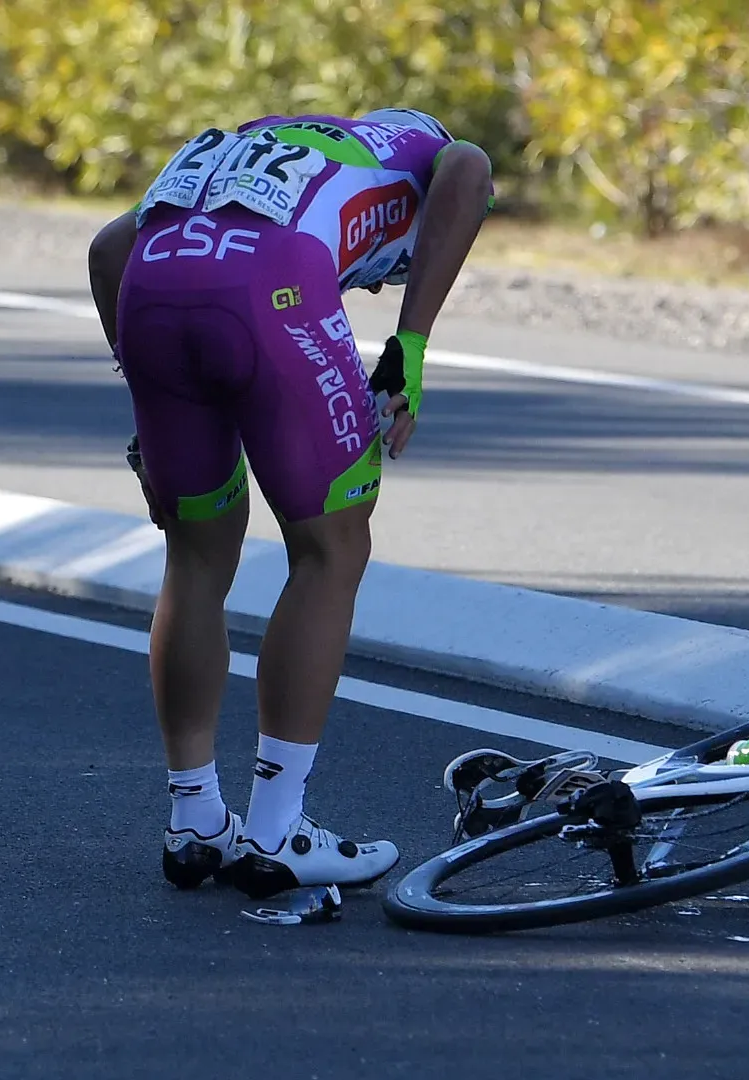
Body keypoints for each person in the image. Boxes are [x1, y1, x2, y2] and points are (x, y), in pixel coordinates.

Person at [85, 108, 492, 899]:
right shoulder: (420, 155)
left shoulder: (269, 142)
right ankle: (277, 830)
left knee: (196, 557)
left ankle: (195, 816)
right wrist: (408, 347)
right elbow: (469, 167)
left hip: (151, 293)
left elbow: (109, 249)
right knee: (331, 551)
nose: (376, 282)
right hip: (269, 291)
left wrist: (148, 422)